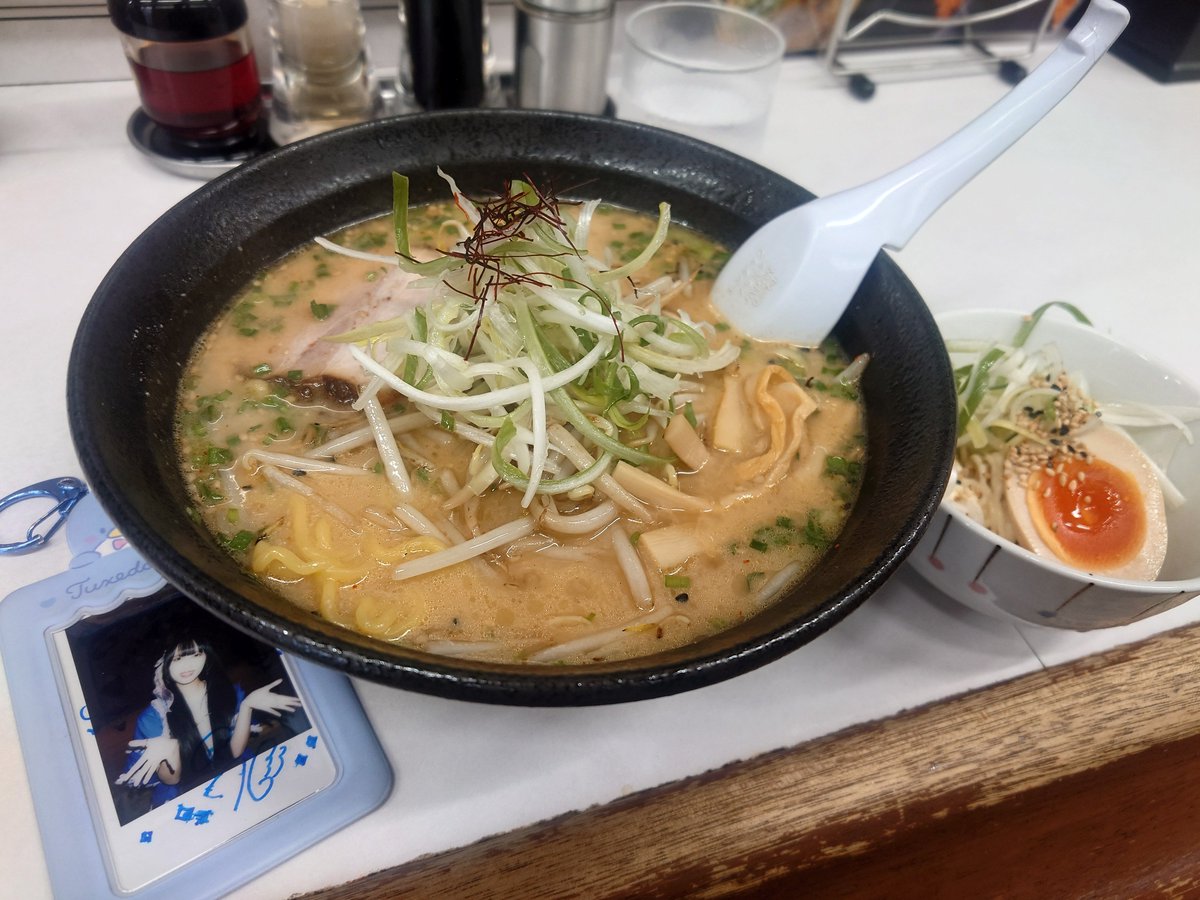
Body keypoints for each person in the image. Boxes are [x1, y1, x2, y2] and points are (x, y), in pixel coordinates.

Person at [115, 637, 301, 806]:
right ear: (164, 664)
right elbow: (172, 781)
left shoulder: (226, 693)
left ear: (206, 656)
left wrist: (247, 706)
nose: (187, 665)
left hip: (235, 778)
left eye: (195, 655)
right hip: (187, 795)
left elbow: (234, 752)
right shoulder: (154, 717)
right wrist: (168, 751)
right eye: (178, 659)